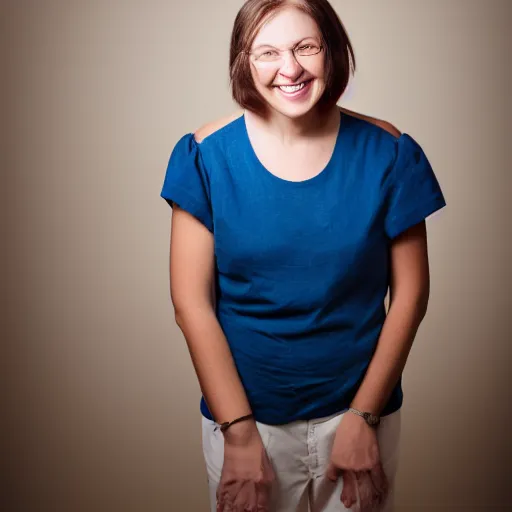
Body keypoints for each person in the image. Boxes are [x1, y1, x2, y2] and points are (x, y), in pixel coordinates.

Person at [160, 0, 446, 510]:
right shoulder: (204, 157)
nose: (289, 68)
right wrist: (241, 435)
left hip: (361, 418)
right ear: (243, 61)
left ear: (331, 51)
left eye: (305, 47)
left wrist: (363, 418)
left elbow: (411, 296)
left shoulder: (391, 152)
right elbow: (191, 305)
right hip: (247, 423)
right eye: (267, 51)